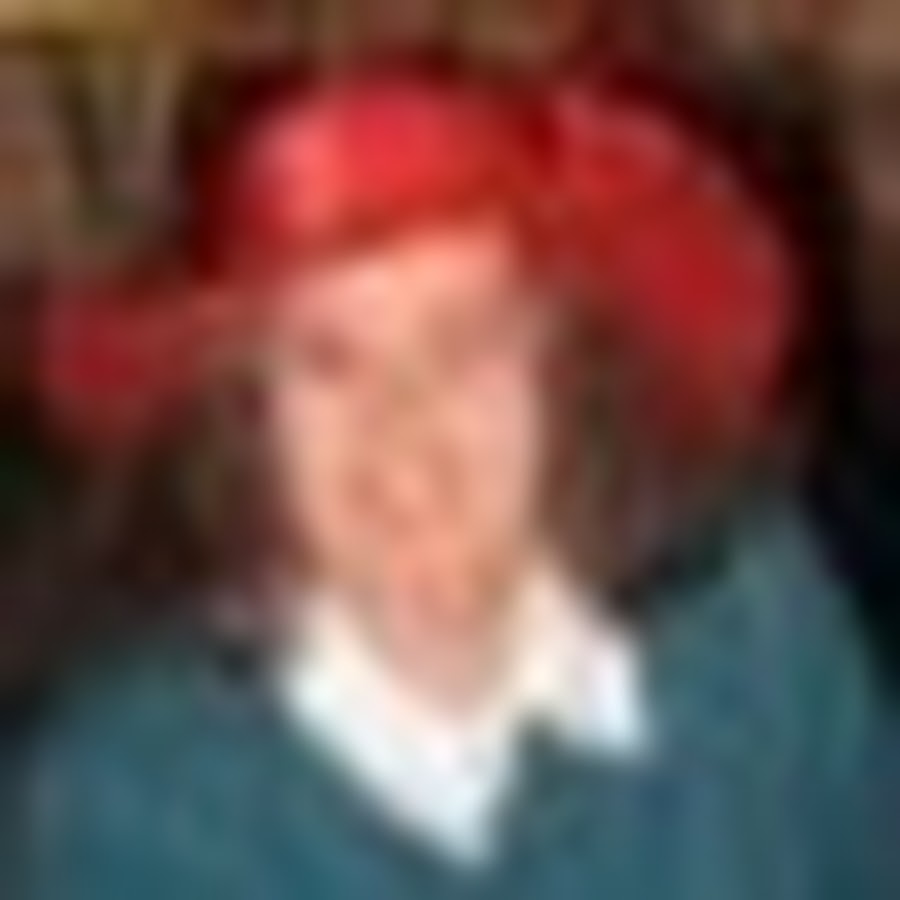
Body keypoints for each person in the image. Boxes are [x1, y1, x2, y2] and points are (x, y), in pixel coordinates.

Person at [19, 62, 887, 900]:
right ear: (244, 415)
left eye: (462, 344)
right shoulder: (128, 809)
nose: (403, 427)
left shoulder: (756, 626)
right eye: (329, 361)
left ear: (566, 365)